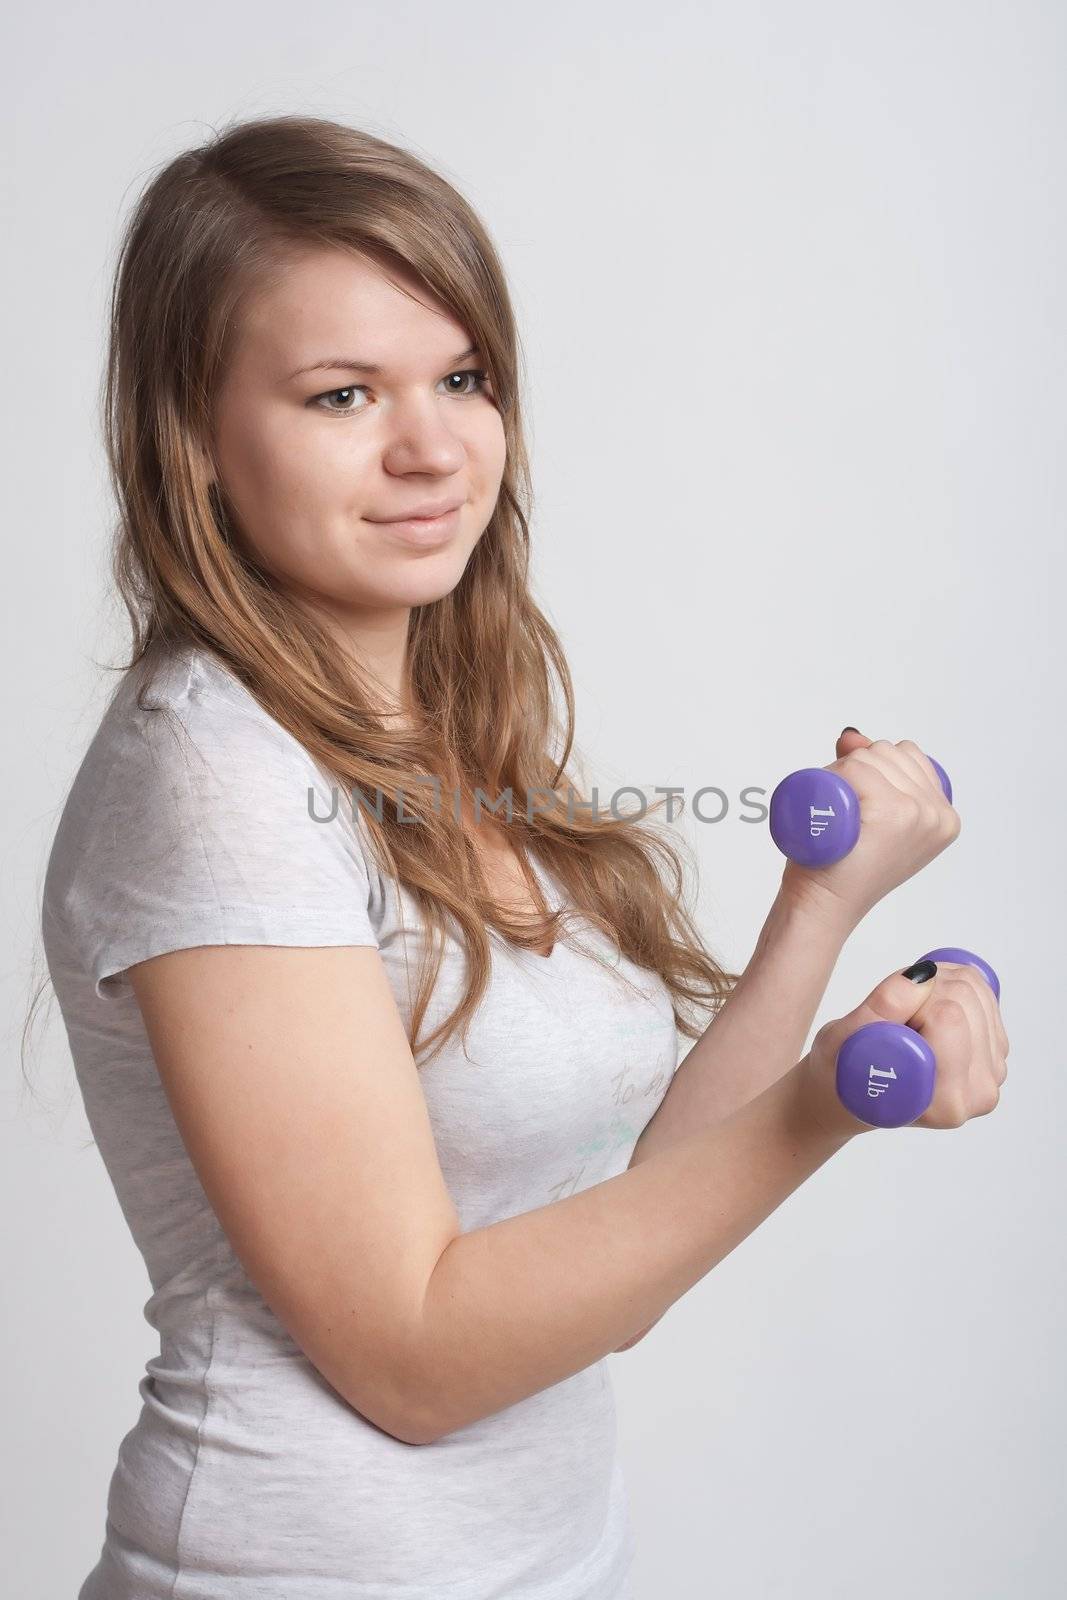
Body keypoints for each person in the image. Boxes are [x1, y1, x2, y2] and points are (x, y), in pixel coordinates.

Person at [39, 114, 1009, 1600]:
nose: (432, 445)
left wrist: (823, 915)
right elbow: (417, 1357)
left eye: (463, 377)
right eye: (343, 392)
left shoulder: (438, 730)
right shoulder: (214, 774)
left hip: (546, 1561)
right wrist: (824, 1107)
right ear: (196, 434)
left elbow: (605, 1260)